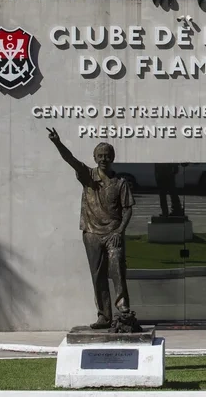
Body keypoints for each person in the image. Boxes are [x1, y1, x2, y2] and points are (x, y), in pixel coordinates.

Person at [48, 127, 135, 330]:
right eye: (100, 156)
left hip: (113, 233)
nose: (103, 159)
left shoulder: (120, 183)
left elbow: (128, 209)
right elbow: (71, 160)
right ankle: (104, 316)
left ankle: (124, 311)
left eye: (107, 156)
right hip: (92, 233)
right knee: (98, 275)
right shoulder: (87, 176)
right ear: (95, 158)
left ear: (112, 158)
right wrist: (57, 142)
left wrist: (119, 231)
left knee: (117, 271)